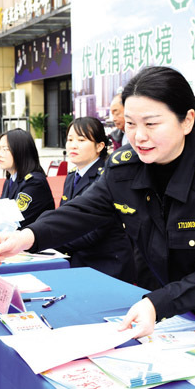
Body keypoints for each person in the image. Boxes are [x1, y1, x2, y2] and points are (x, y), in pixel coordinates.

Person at [0, 66, 195, 349]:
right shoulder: (126, 168)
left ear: (187, 120)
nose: (139, 136)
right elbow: (82, 210)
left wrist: (158, 303)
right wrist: (26, 237)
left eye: (151, 124)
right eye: (130, 124)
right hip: (181, 301)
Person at [58, 117, 136, 281]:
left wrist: (51, 241)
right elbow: (63, 217)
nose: (73, 145)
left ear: (100, 146)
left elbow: (92, 232)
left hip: (105, 264)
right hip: (78, 259)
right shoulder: (72, 176)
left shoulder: (105, 178)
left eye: (81, 140)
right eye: (70, 139)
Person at [0, 128, 55, 228]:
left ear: (21, 151)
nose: (0, 154)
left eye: (5, 149)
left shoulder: (34, 183)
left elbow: (16, 222)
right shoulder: (10, 180)